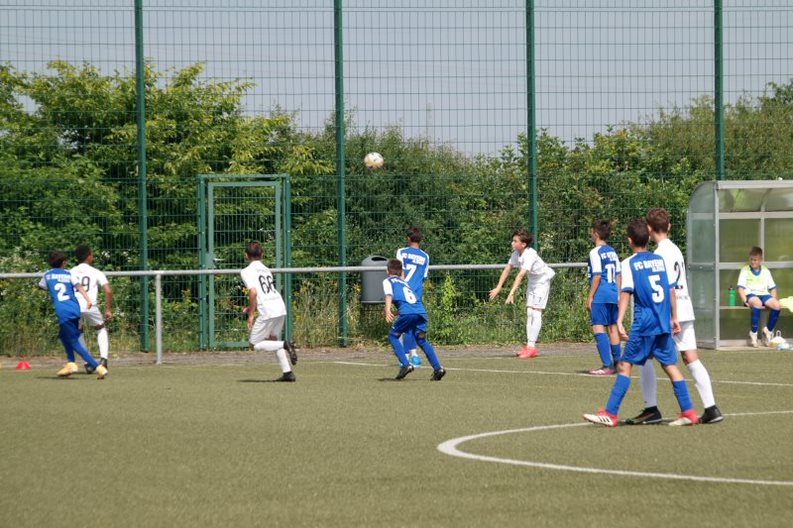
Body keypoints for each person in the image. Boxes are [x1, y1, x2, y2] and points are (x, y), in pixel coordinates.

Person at [583, 219, 699, 427]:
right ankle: (689, 411)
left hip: (644, 324)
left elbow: (626, 293)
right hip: (663, 322)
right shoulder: (659, 260)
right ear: (647, 237)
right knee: (670, 366)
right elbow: (671, 289)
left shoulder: (629, 263)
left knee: (624, 364)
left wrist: (618, 321)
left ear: (629, 240)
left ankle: (610, 413)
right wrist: (673, 317)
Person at [627, 208, 722, 425]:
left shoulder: (658, 255)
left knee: (648, 357)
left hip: (669, 312)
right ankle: (711, 407)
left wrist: (672, 315)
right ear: (669, 227)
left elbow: (666, 287)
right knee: (691, 358)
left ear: (649, 230)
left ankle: (651, 408)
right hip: (686, 307)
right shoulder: (675, 249)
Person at [38, 250, 108, 379]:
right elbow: (80, 287)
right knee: (64, 336)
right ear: (64, 262)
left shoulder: (47, 275)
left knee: (74, 341)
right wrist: (88, 300)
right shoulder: (69, 273)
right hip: (75, 308)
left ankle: (98, 367)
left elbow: (42, 286)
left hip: (63, 311)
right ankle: (71, 363)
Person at [489, 228, 555, 358]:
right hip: (533, 281)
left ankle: (532, 347)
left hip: (542, 280)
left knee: (536, 312)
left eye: (515, 241)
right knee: (529, 312)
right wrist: (498, 287)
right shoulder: (516, 254)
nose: (512, 243)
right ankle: (530, 346)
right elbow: (507, 270)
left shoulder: (530, 254)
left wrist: (511, 293)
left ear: (523, 244)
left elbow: (520, 275)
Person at [240, 240, 298, 382]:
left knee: (255, 344)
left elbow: (253, 292)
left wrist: (251, 315)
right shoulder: (266, 269)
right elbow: (262, 292)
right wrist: (251, 307)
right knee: (273, 340)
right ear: (262, 254)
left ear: (246, 255)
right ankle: (287, 373)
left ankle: (286, 345)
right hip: (279, 305)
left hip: (268, 310)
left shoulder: (246, 271)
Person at [382, 258, 446, 381]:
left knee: (393, 336)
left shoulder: (388, 281)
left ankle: (406, 365)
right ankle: (438, 368)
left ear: (387, 271)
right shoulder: (405, 283)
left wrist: (388, 310)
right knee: (421, 340)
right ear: (401, 272)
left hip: (409, 312)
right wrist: (395, 312)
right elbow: (410, 304)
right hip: (421, 312)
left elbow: (389, 295)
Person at [586, 220, 622, 375]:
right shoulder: (612, 251)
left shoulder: (595, 252)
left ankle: (607, 365)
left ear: (596, 233)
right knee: (613, 328)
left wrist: (590, 296)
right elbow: (619, 274)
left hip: (601, 293)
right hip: (613, 292)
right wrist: (619, 294)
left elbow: (597, 276)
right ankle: (618, 364)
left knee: (598, 326)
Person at [71, 245, 113, 373]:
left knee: (78, 332)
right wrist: (108, 309)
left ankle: (88, 362)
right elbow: (108, 290)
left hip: (75, 307)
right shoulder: (96, 272)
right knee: (100, 328)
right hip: (90, 306)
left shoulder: (71, 271)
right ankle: (104, 359)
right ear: (89, 256)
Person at [396, 225, 429, 367]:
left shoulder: (401, 252)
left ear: (408, 238)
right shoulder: (425, 256)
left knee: (405, 324)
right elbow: (423, 278)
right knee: (413, 324)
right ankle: (413, 354)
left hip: (404, 292)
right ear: (420, 240)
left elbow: (400, 272)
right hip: (417, 293)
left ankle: (408, 357)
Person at [737, 246, 782, 348]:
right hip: (751, 294)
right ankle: (753, 334)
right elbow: (740, 288)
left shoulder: (766, 271)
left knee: (777, 305)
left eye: (755, 260)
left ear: (760, 260)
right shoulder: (745, 270)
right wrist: (745, 301)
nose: (753, 262)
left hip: (764, 295)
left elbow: (773, 288)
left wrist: (773, 299)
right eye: (751, 259)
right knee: (757, 303)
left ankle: (768, 331)